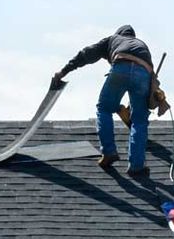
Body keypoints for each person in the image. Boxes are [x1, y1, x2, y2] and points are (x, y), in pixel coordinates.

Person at [52, 25, 156, 176]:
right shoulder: (141, 45)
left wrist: (63, 71)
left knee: (104, 109)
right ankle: (136, 166)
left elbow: (86, 54)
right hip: (144, 73)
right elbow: (150, 78)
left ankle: (108, 152)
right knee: (139, 121)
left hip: (121, 66)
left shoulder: (113, 40)